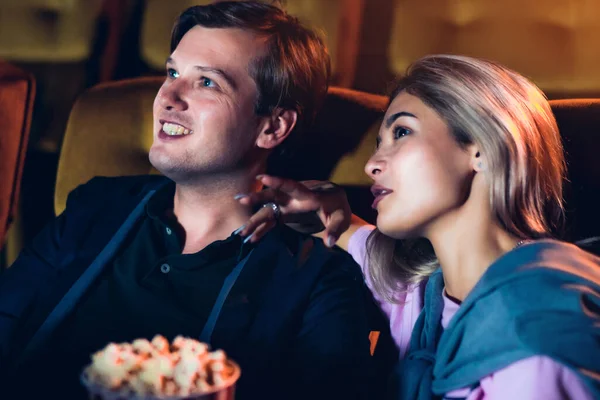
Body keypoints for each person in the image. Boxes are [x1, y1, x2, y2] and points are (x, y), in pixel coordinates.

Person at [0, 2, 373, 399]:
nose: (168, 97)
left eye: (207, 82)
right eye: (173, 72)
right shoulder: (94, 206)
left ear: (273, 126)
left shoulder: (317, 277)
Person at [235, 55, 600, 399]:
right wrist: (327, 209)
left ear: (483, 148)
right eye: (379, 143)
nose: (372, 165)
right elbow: (354, 239)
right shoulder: (421, 298)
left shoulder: (539, 328)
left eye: (403, 133)